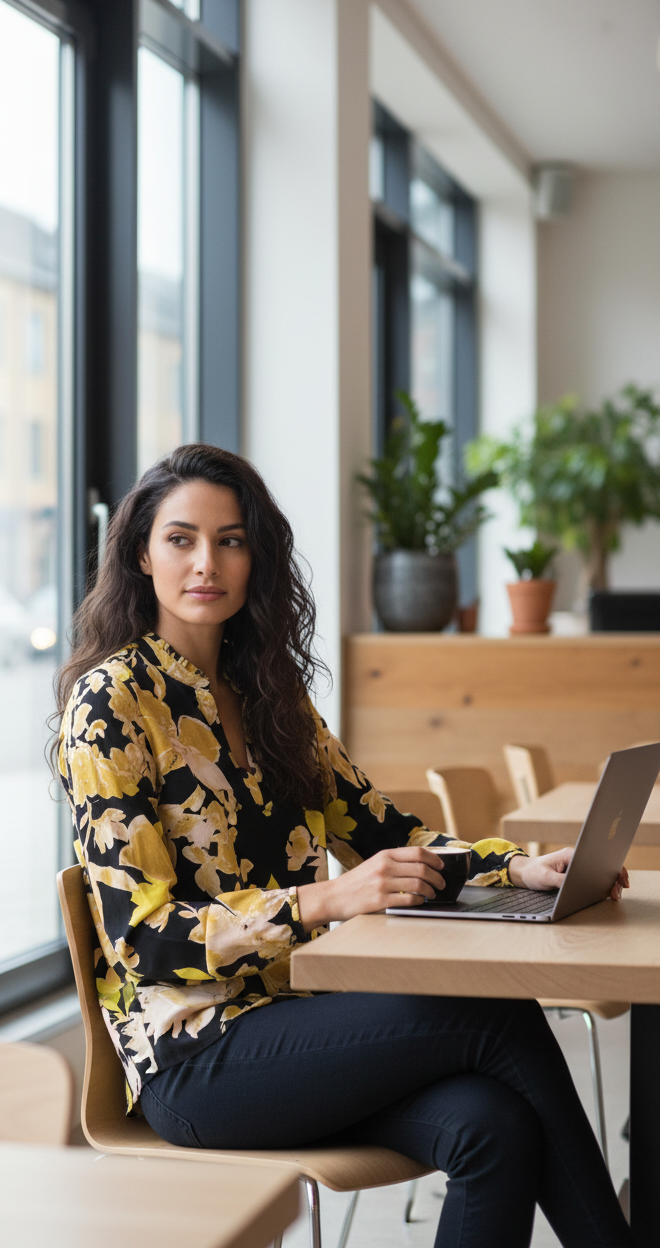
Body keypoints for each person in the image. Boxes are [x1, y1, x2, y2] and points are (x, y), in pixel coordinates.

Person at [55, 444, 633, 1248]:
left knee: (493, 1123)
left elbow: (387, 833)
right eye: (181, 539)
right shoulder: (111, 703)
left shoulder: (271, 695)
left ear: (257, 555)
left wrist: (518, 867)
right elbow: (144, 939)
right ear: (140, 554)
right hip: (194, 1058)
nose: (206, 563)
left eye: (231, 540)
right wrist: (327, 899)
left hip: (304, 1026)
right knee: (497, 1018)